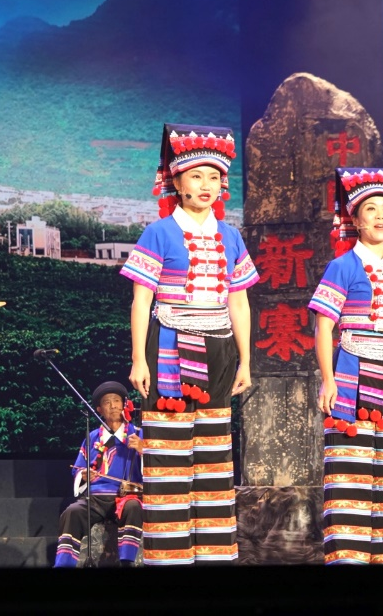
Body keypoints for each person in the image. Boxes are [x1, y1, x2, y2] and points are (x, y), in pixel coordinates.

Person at [122, 123, 258, 566]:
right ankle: (169, 558)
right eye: (196, 176)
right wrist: (138, 358)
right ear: (177, 182)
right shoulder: (159, 232)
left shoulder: (231, 236)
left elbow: (239, 302)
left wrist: (246, 361)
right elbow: (142, 300)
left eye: (214, 177)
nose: (206, 185)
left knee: (214, 451)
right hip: (169, 346)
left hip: (218, 347)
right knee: (169, 452)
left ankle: (215, 555)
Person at [309, 167, 383, 565]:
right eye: (371, 209)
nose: (380, 216)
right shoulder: (342, 266)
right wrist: (328, 380)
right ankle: (349, 555)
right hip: (353, 371)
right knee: (351, 462)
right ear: (355, 220)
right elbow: (324, 326)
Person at [54, 381, 143, 568]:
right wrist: (84, 476)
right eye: (107, 402)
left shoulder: (138, 435)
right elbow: (78, 469)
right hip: (95, 499)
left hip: (126, 497)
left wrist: (144, 451)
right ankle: (64, 564)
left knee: (134, 507)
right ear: (99, 410)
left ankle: (127, 561)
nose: (113, 406)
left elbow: (155, 468)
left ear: (125, 405)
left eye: (117, 401)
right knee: (72, 512)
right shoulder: (92, 437)